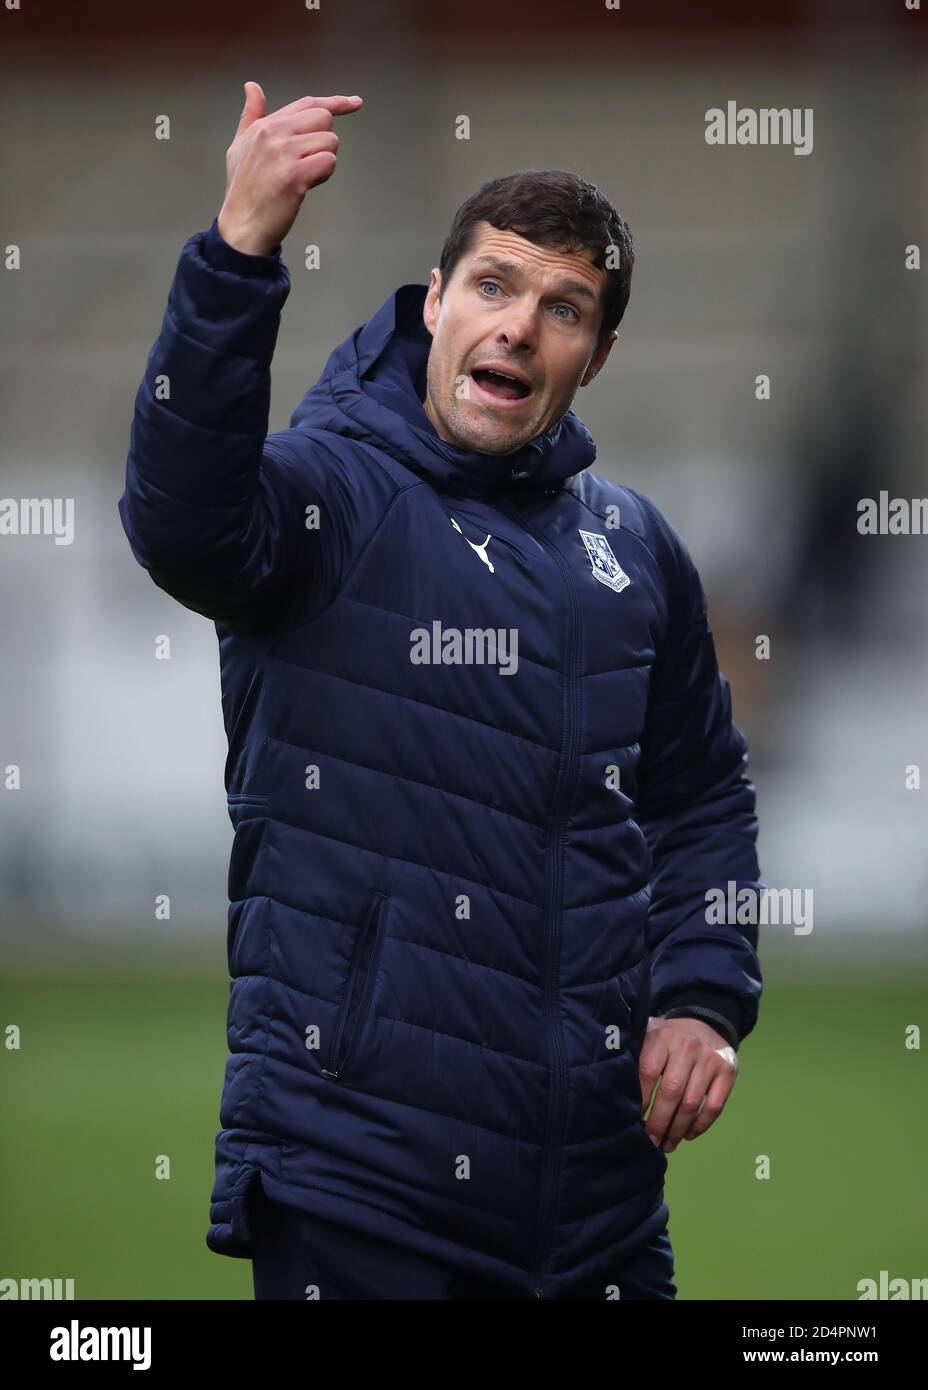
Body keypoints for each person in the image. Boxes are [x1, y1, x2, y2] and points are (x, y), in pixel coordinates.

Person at [118, 82, 763, 1301]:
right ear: (437, 302)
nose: (520, 327)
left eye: (563, 308)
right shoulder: (328, 496)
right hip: (360, 1181)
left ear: (598, 353)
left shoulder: (634, 548)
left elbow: (703, 796)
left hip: (598, 1212)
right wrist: (237, 251)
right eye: (495, 286)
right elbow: (179, 524)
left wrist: (700, 992)